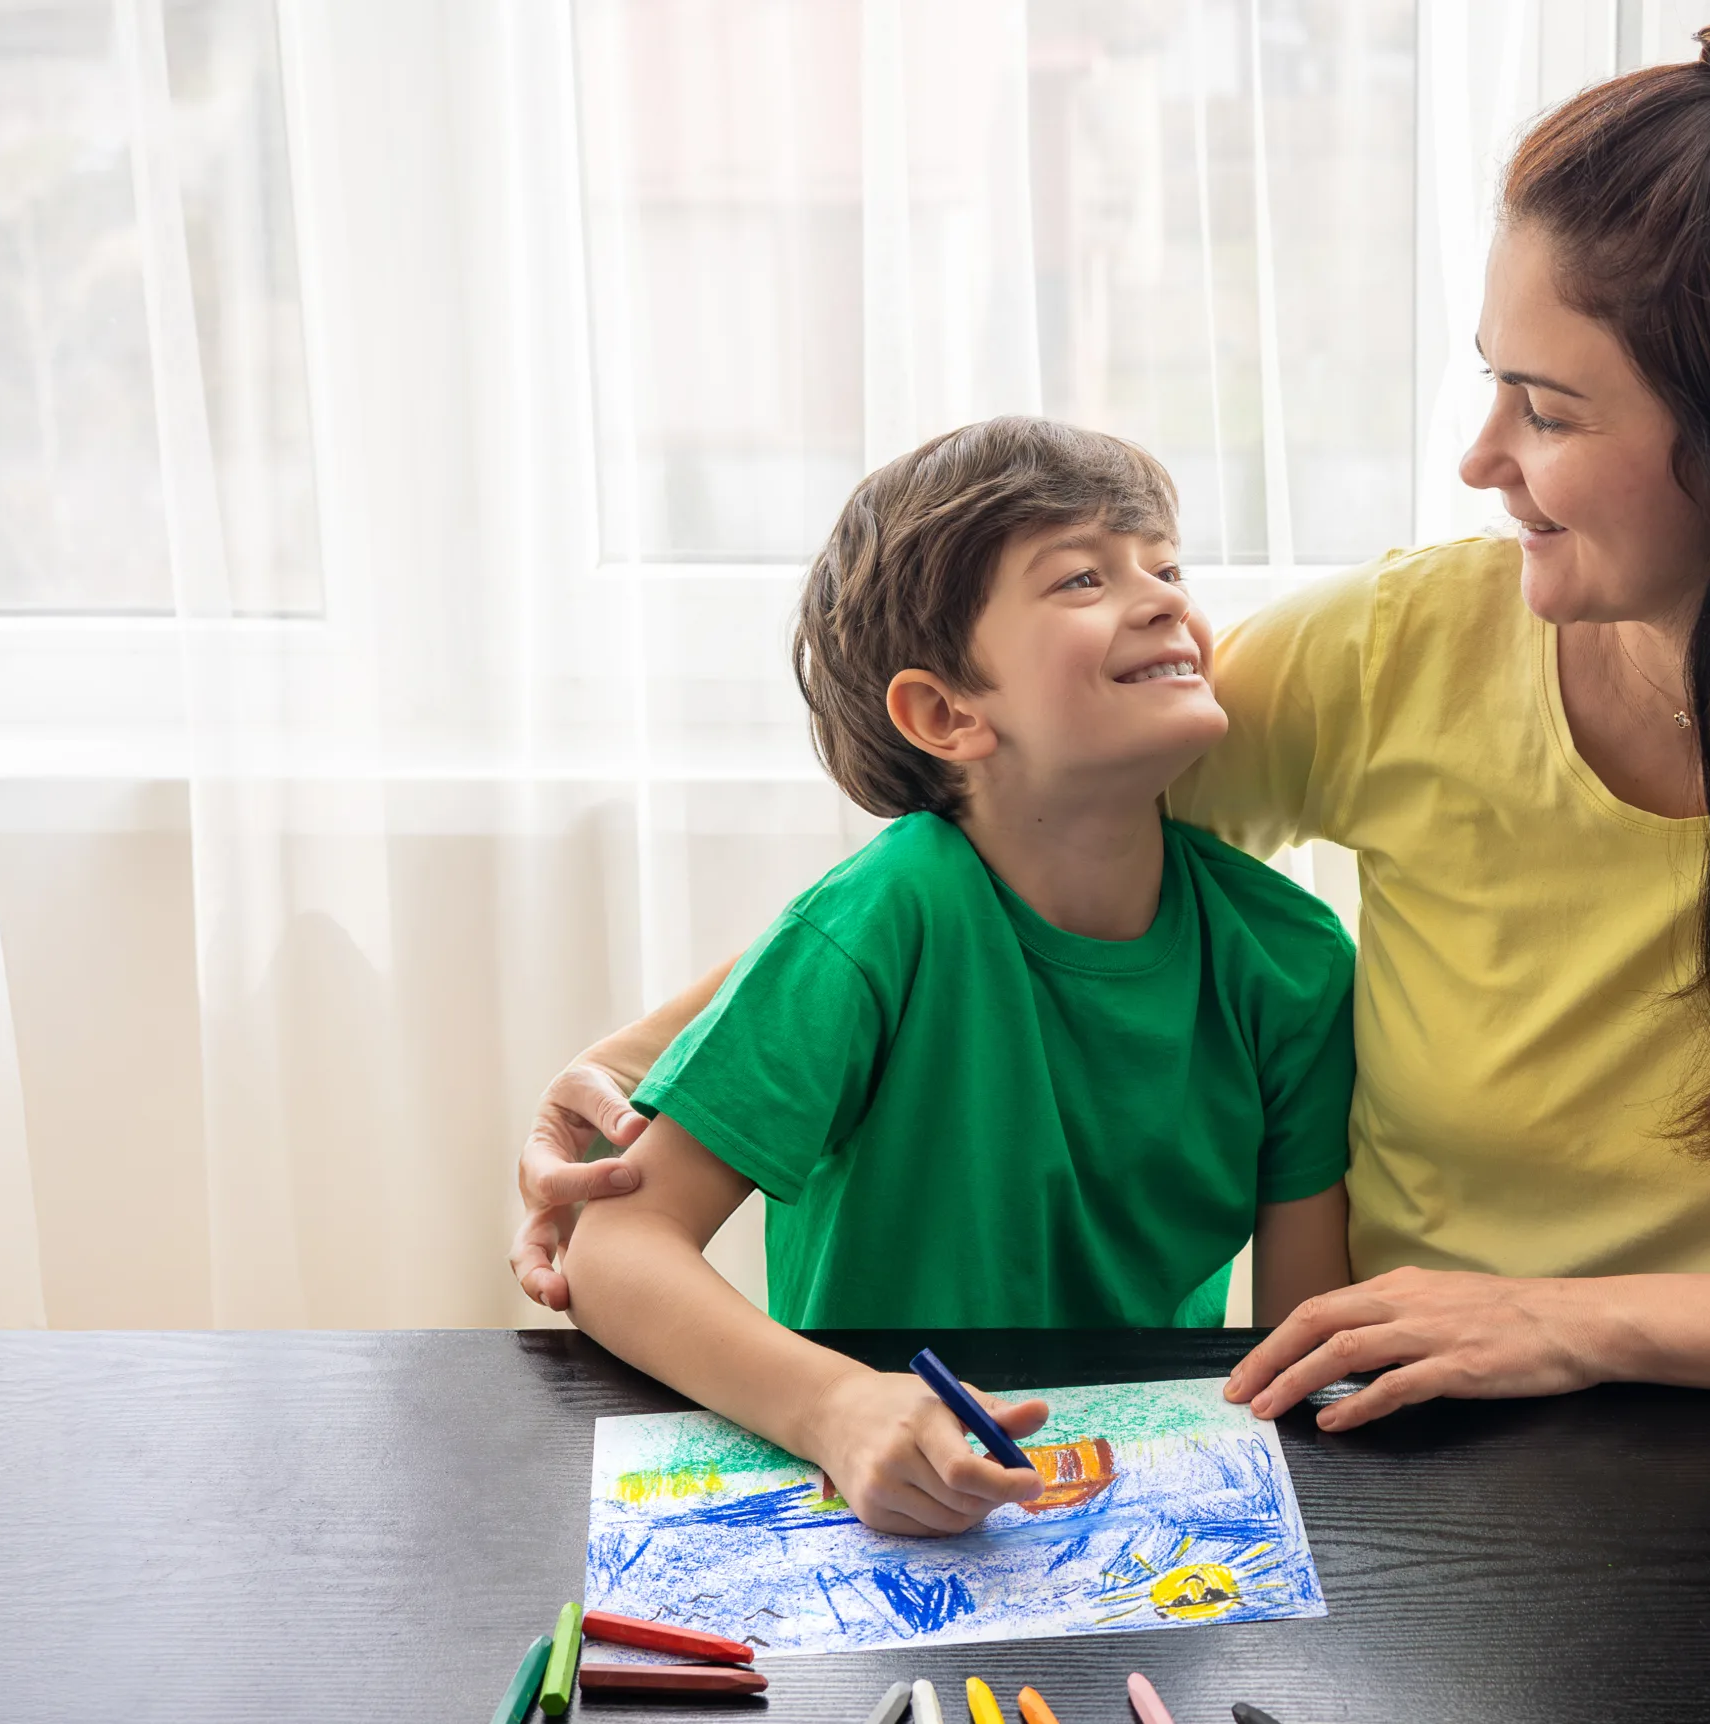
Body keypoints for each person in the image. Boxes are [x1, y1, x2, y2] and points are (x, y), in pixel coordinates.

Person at [520, 16, 1710, 1429]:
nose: (1481, 458)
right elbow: (1010, 837)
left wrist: (1587, 1320)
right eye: (1493, 380)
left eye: (1543, 408)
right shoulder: (1408, 643)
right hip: (1392, 1427)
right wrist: (639, 1074)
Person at [556, 417, 1356, 1536]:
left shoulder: (1294, 958)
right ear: (945, 712)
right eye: (1082, 576)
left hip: (1139, 1521)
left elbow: (1297, 1346)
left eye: (1167, 566)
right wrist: (837, 1406)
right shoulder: (887, 913)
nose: (1166, 597)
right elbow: (615, 1249)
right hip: (880, 1505)